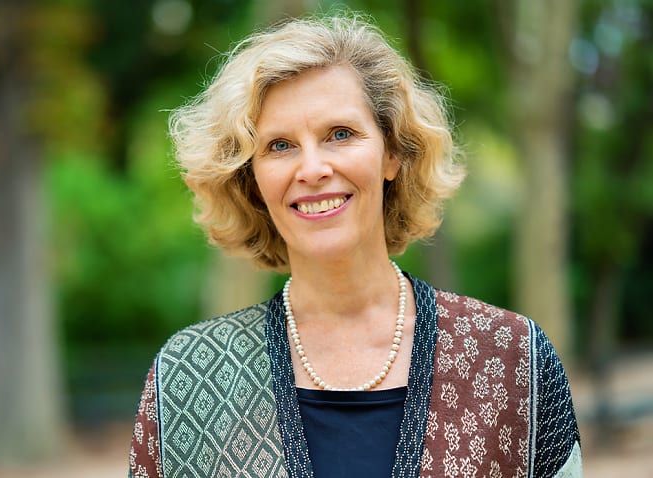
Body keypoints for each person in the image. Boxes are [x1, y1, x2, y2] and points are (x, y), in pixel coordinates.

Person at [128, 13, 581, 478]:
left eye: (340, 134)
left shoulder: (513, 359)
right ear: (251, 180)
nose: (312, 169)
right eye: (279, 145)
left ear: (393, 153)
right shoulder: (187, 377)